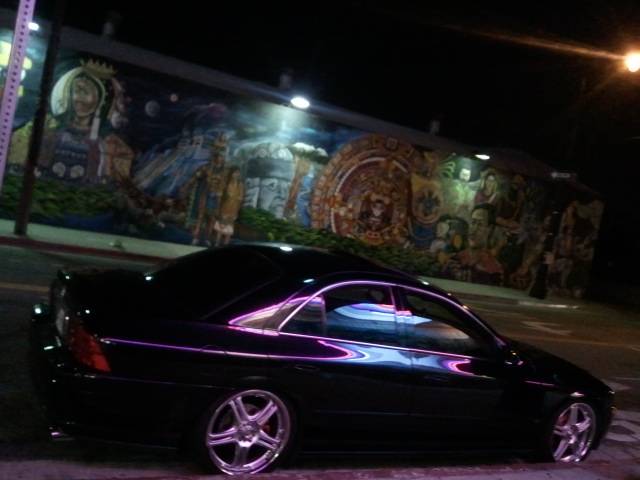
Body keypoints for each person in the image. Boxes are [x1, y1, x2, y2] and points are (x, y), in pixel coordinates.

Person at [213, 167, 244, 246]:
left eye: (238, 173)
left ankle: (225, 245)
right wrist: (218, 207)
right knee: (221, 227)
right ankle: (216, 244)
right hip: (224, 207)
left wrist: (237, 210)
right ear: (231, 173)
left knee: (229, 229)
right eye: (235, 172)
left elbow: (240, 199)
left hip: (234, 209)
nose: (237, 174)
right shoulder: (225, 183)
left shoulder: (240, 185)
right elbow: (219, 196)